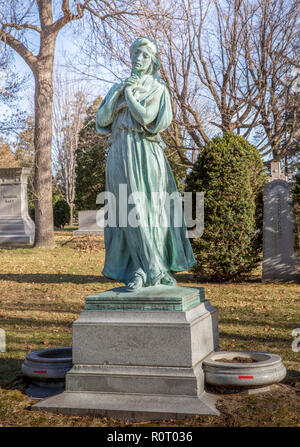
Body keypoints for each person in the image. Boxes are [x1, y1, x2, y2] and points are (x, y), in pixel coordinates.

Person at [96, 37, 196, 290]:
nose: (137, 59)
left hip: (144, 153)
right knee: (124, 213)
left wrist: (128, 94)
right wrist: (119, 92)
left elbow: (146, 117)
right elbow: (102, 120)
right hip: (119, 152)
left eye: (143, 55)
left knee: (148, 212)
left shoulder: (157, 88)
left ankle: (153, 268)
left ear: (152, 60)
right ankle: (136, 268)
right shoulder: (118, 88)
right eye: (135, 54)